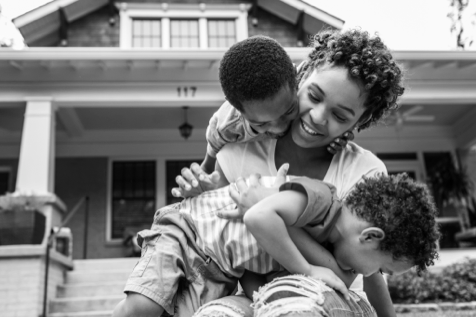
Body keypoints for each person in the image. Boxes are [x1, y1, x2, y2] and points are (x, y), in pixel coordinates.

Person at [174, 28, 406, 317]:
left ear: (361, 121)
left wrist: (265, 210)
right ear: (302, 75)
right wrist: (199, 187)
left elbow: (345, 273)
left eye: (340, 116)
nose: (318, 117)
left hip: (323, 296)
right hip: (251, 294)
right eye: (314, 96)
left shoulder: (364, 172)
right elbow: (218, 235)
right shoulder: (240, 150)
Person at [113, 170, 440, 317]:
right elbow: (257, 217)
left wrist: (259, 297)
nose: (374, 275)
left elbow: (256, 259)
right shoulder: (321, 199)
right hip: (187, 230)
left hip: (221, 270)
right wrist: (308, 268)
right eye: (383, 268)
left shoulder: (323, 246)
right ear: (370, 237)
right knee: (143, 307)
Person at [197, 35, 350, 176]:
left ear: (296, 80)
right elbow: (207, 168)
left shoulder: (307, 77)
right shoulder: (225, 127)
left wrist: (339, 132)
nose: (279, 128)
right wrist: (199, 181)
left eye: (288, 111)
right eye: (262, 123)